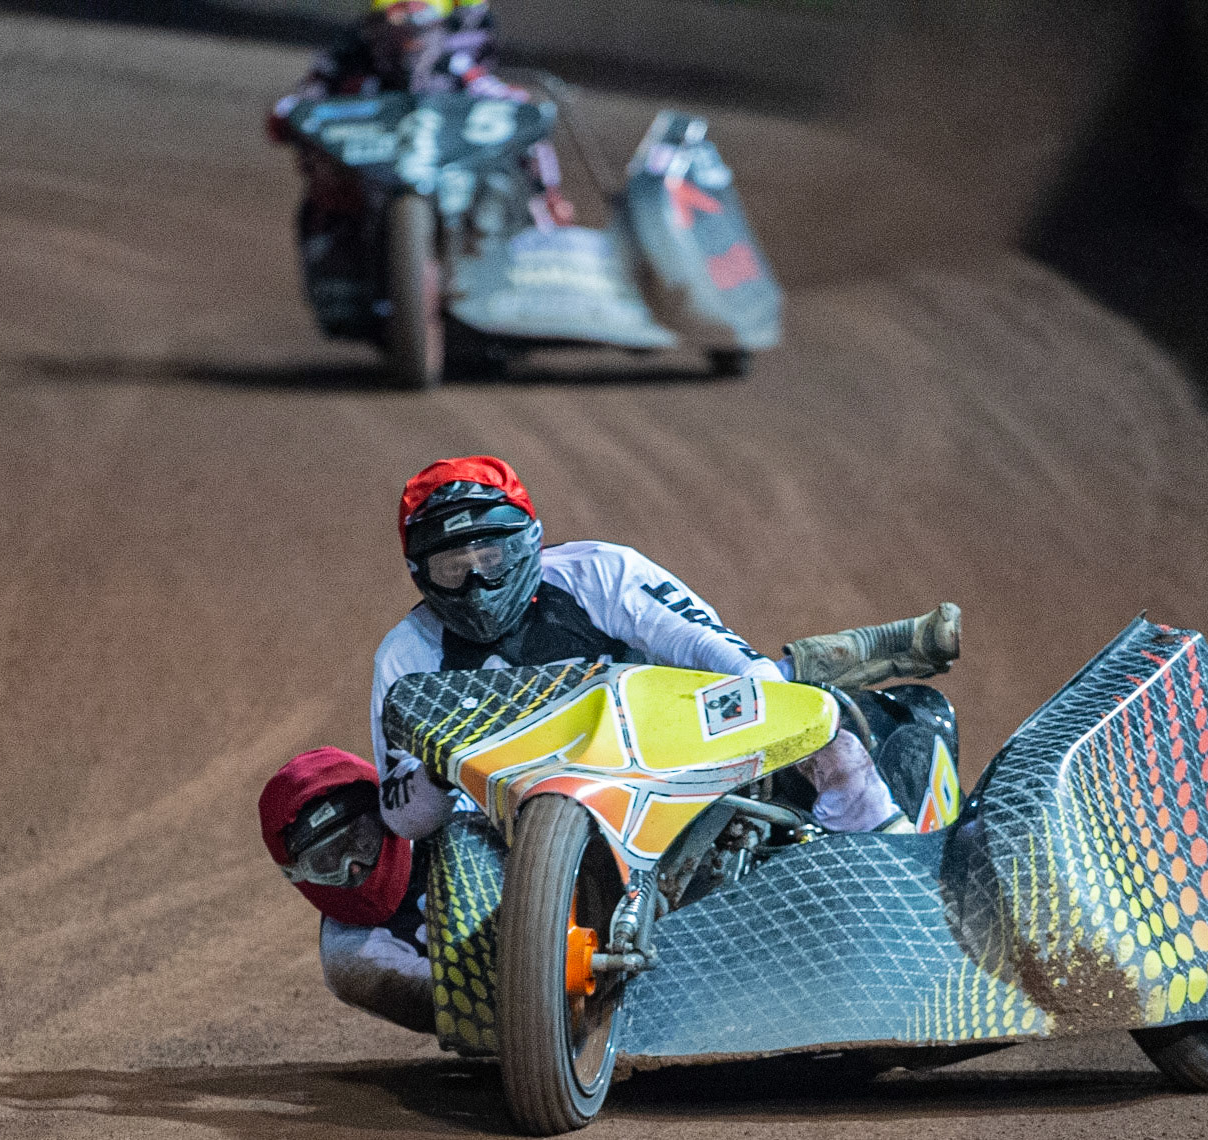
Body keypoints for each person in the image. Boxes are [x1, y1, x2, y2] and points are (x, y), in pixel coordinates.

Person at [261, 454, 961, 1031]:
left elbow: (718, 655)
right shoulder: (405, 656)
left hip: (676, 772)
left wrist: (762, 684)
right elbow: (407, 816)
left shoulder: (601, 573)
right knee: (348, 952)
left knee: (825, 731)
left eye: (493, 553)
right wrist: (442, 770)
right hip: (513, 832)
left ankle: (906, 904)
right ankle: (514, 1027)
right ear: (422, 574)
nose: (476, 580)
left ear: (529, 541)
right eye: (453, 567)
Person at [266, 0, 573, 335]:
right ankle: (340, 271)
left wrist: (518, 105)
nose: (408, 46)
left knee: (518, 158)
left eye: (419, 35)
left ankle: (544, 218)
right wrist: (291, 113)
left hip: (447, 172)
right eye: (397, 33)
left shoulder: (453, 65)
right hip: (370, 176)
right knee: (324, 191)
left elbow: (502, 98)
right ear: (375, 32)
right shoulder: (348, 60)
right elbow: (301, 100)